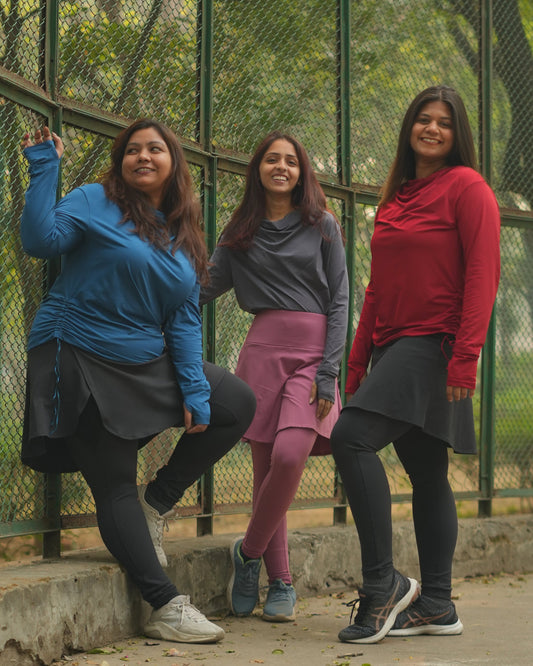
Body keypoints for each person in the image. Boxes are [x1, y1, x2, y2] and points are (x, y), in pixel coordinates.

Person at [19, 120, 256, 644]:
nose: (142, 156)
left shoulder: (184, 232)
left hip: (144, 359)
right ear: (120, 160)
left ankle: (156, 504)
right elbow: (39, 240)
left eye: (154, 149)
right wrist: (45, 165)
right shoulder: (93, 200)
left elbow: (183, 318)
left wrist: (194, 390)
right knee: (114, 482)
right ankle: (164, 605)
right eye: (132, 150)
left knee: (235, 402)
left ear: (173, 162)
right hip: (76, 350)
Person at [330, 85, 501, 644]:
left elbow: (483, 273)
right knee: (427, 470)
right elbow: (377, 288)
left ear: (457, 134)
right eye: (423, 119)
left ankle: (382, 586)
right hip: (394, 344)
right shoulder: (396, 198)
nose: (431, 129)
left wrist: (466, 357)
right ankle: (437, 604)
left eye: (444, 122)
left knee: (351, 436)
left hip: (435, 343)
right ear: (409, 128)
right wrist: (358, 359)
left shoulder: (468, 188)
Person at [200, 131, 349, 622]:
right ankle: (280, 581)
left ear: (302, 171)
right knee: (266, 473)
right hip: (263, 354)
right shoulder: (240, 231)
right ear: (258, 169)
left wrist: (329, 371)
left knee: (289, 458)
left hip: (314, 357)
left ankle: (247, 553)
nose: (281, 167)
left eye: (290, 161)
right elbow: (203, 288)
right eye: (271, 159)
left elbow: (340, 299)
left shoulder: (323, 224)